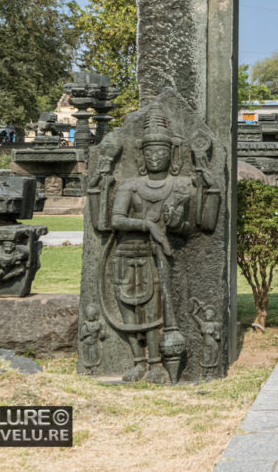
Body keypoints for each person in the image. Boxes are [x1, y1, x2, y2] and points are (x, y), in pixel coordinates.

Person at [108, 107, 193, 383]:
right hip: (127, 253)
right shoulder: (130, 186)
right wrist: (147, 225)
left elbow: (186, 225)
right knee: (129, 308)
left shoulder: (180, 185)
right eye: (150, 153)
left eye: (162, 152)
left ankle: (156, 364)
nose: (156, 157)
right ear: (142, 156)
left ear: (172, 155)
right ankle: (137, 361)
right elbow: (117, 219)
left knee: (156, 308)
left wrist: (174, 218)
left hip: (157, 257)